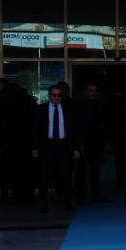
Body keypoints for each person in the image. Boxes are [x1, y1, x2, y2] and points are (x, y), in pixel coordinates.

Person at [32, 82, 80, 211]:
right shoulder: (41, 110)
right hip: (47, 145)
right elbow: (36, 130)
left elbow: (74, 130)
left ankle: (68, 203)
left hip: (64, 145)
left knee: (66, 176)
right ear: (49, 95)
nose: (57, 97)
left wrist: (76, 148)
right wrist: (35, 147)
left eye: (60, 95)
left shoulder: (69, 110)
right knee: (45, 176)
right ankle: (43, 203)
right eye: (54, 95)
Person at [74, 81, 110, 204]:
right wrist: (79, 143)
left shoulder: (99, 105)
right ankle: (80, 197)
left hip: (97, 142)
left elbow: (103, 124)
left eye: (95, 91)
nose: (93, 93)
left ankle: (96, 195)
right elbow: (76, 125)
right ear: (86, 92)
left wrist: (106, 141)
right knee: (82, 171)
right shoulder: (81, 105)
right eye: (91, 90)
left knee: (95, 171)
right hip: (85, 142)